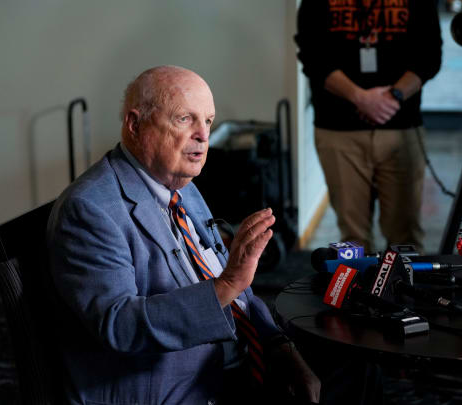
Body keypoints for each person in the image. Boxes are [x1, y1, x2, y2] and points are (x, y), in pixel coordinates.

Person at [46, 66, 321, 404]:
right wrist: (225, 285)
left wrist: (279, 345)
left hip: (231, 359)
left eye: (207, 120)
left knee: (348, 366)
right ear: (135, 125)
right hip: (170, 388)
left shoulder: (182, 186)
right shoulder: (89, 210)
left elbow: (238, 291)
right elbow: (121, 326)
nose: (203, 135)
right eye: (184, 120)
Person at [294, 0, 442, 253]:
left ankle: (403, 292)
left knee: (405, 237)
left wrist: (393, 96)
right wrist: (361, 98)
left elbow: (429, 55)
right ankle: (357, 292)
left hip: (401, 129)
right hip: (338, 130)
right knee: (353, 240)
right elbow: (312, 55)